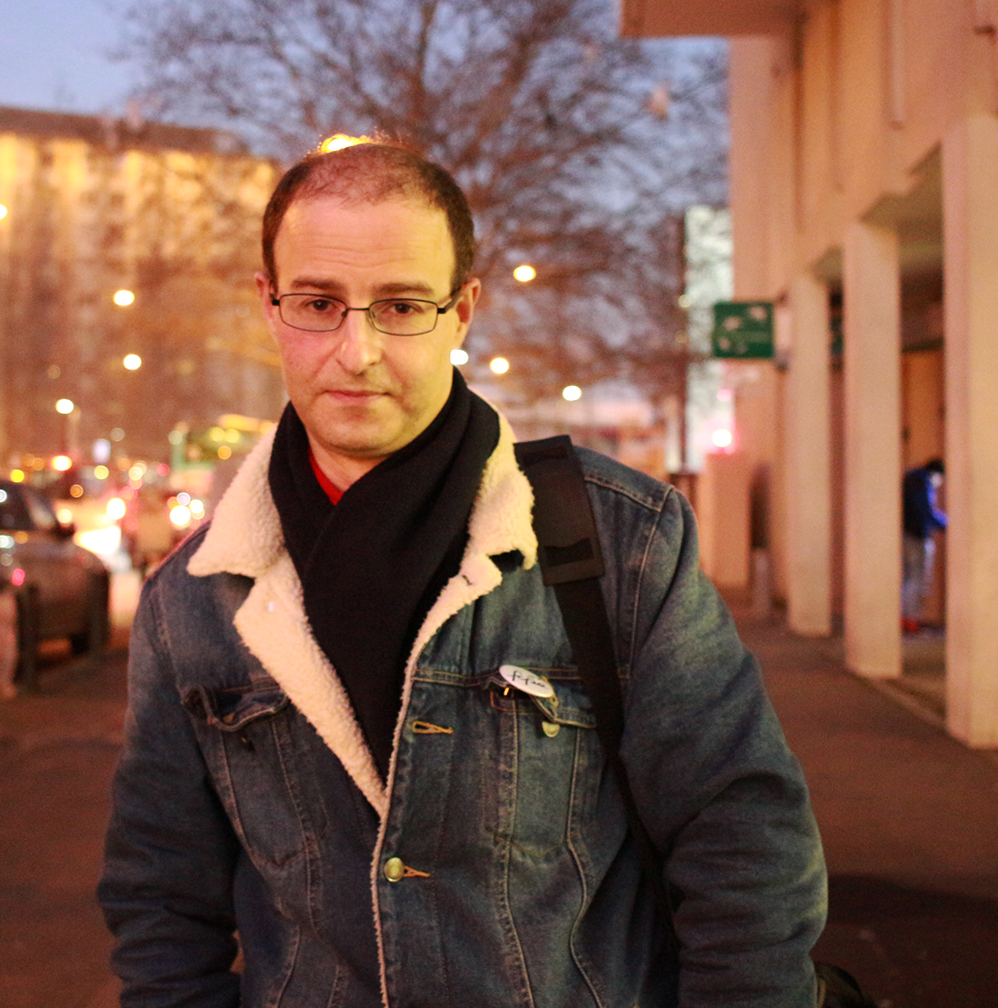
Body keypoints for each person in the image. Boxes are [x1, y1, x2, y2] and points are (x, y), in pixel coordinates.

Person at [98, 141, 826, 1007]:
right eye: (319, 303)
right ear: (269, 305)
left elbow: (744, 840)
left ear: (463, 311)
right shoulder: (193, 599)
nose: (357, 350)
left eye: (401, 306)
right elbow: (160, 895)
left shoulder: (619, 541)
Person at [900, 458, 946, 633]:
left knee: (909, 578)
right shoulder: (922, 483)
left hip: (908, 534)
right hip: (917, 536)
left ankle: (907, 618)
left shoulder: (912, 479)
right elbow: (925, 512)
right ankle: (910, 619)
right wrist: (946, 524)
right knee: (916, 579)